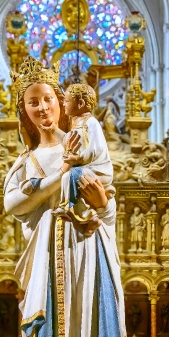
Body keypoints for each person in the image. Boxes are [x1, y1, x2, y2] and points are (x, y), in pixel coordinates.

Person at [5, 57, 128, 337]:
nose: (43, 108)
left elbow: (107, 209)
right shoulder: (27, 160)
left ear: (61, 103)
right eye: (33, 102)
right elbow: (13, 203)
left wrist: (102, 204)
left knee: (88, 319)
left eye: (48, 100)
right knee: (45, 331)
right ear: (24, 111)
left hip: (88, 250)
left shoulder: (85, 145)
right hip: (46, 253)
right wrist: (59, 176)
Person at [52, 83, 114, 234]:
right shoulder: (78, 123)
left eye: (66, 101)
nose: (63, 104)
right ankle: (84, 215)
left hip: (98, 168)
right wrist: (53, 130)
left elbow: (96, 149)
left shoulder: (91, 122)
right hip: (86, 168)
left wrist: (78, 158)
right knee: (69, 177)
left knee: (72, 176)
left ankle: (73, 209)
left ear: (80, 104)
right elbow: (69, 140)